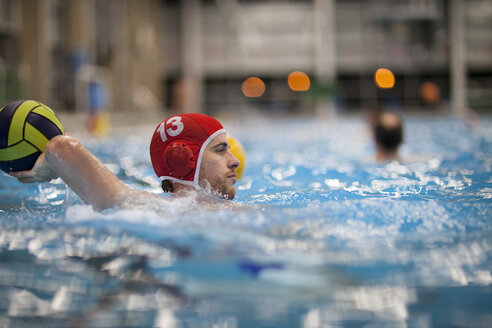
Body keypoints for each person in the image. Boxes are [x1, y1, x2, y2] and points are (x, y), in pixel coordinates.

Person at [10, 113, 241, 212]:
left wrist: (52, 167)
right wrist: (52, 163)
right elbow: (61, 146)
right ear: (183, 159)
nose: (235, 161)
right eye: (220, 150)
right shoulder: (165, 210)